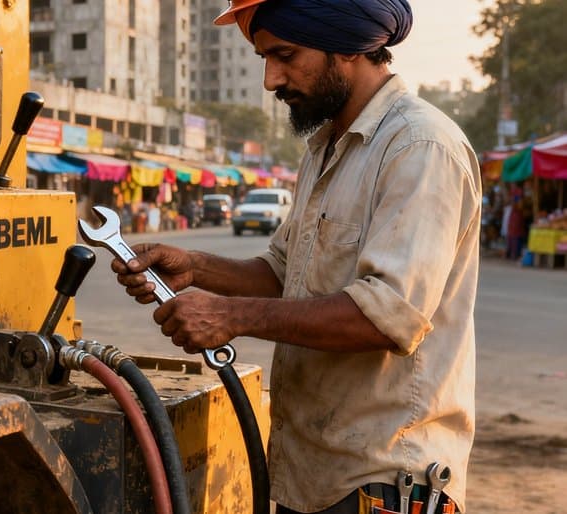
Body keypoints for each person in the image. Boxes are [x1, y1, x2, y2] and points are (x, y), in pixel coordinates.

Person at [111, 1, 480, 513]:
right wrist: (195, 267)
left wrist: (228, 315)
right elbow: (287, 273)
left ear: (346, 47)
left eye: (285, 55)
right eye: (265, 58)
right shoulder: (325, 148)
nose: (270, 79)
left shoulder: (420, 146)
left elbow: (386, 319)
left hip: (382, 479)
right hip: (310, 474)